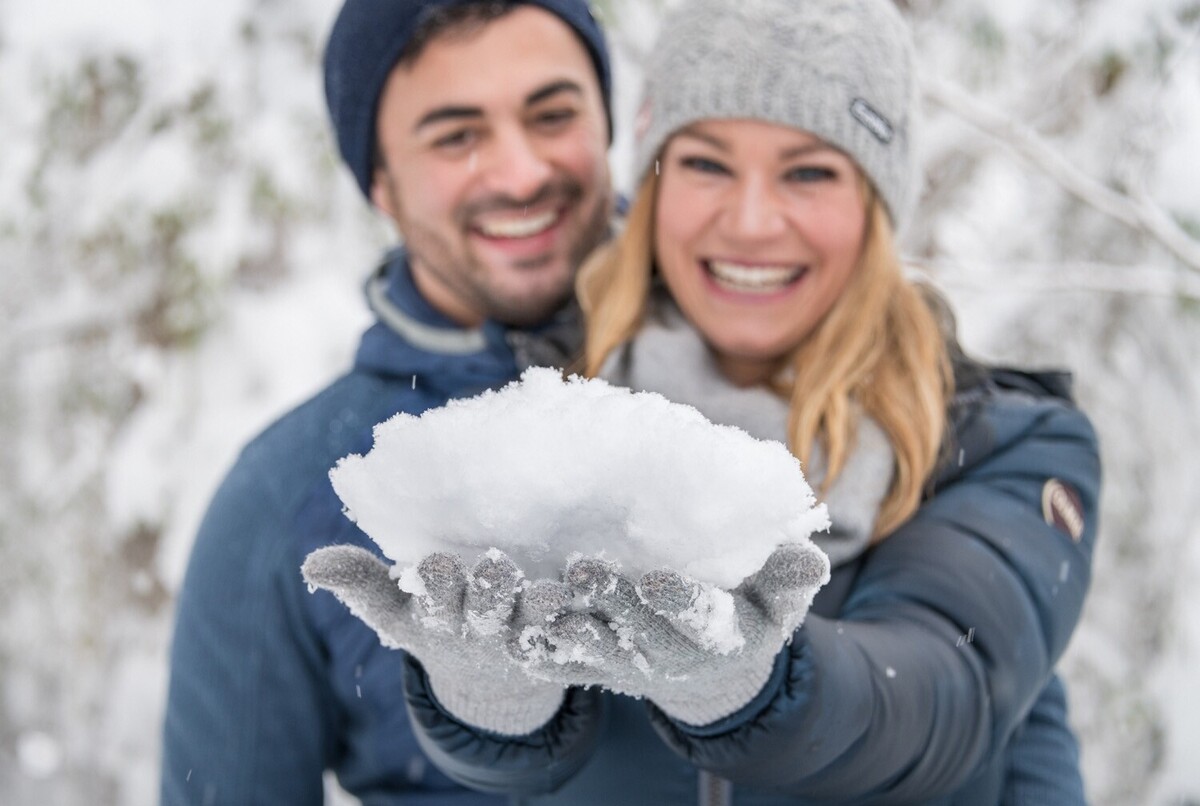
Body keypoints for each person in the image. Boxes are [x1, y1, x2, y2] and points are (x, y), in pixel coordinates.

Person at [303, 0, 1101, 803]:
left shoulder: (1003, 447)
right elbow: (535, 777)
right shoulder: (550, 408)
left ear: (876, 203)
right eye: (707, 164)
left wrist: (751, 685)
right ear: (653, 184)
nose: (751, 222)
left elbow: (940, 698)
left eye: (810, 171)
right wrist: (491, 705)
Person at [158, 1, 614, 803]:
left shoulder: (761, 373)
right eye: (456, 135)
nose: (519, 172)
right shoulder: (287, 500)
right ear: (380, 183)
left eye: (552, 114)